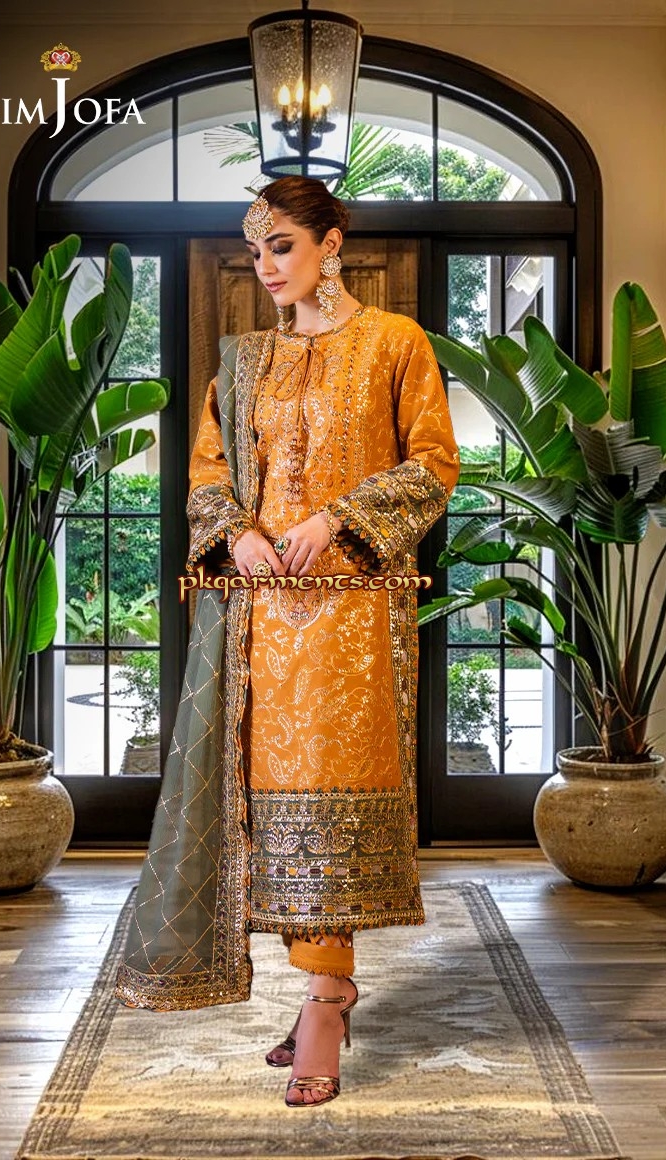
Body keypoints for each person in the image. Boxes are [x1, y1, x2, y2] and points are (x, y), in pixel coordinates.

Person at [114, 175, 460, 1108]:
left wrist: (335, 518)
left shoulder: (395, 343)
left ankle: (325, 1000)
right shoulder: (245, 361)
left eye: (282, 246)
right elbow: (208, 472)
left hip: (353, 618)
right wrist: (237, 534)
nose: (265, 266)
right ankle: (321, 987)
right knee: (263, 810)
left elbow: (434, 465)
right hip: (259, 619)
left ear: (330, 244)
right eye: (256, 250)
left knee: (330, 798)